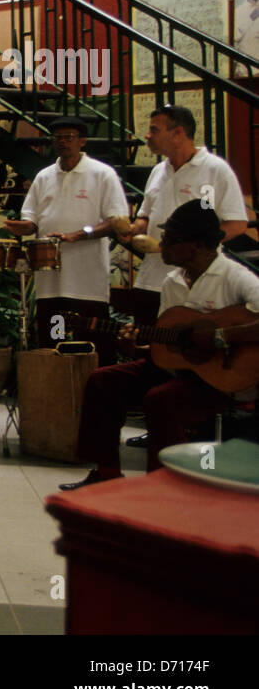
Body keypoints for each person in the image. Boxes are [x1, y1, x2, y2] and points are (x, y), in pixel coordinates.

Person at [60, 201, 259, 490]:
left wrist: (219, 337)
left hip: (223, 379)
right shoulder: (172, 282)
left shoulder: (235, 277)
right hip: (181, 370)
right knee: (103, 381)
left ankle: (163, 486)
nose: (160, 244)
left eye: (170, 240)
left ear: (197, 245)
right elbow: (168, 348)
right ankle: (106, 473)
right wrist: (133, 347)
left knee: (160, 399)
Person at [3, 118, 128, 366]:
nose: (62, 142)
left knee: (91, 345)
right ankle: (57, 394)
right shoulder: (44, 176)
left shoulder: (103, 174)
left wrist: (78, 235)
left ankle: (94, 397)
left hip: (87, 283)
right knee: (55, 344)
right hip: (51, 284)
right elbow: (32, 220)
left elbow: (116, 220)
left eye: (69, 136)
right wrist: (23, 226)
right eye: (58, 137)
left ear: (81, 141)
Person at [118, 104, 248, 325]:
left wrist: (194, 244)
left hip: (195, 282)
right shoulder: (158, 171)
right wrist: (134, 229)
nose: (147, 136)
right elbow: (145, 217)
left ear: (177, 133)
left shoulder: (216, 170)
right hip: (150, 280)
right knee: (145, 344)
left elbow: (237, 224)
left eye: (154, 130)